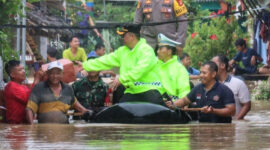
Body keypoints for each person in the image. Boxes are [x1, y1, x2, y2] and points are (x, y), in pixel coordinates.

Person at [81, 25, 164, 105]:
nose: (122, 38)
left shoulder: (146, 50)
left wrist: (122, 79)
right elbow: (106, 60)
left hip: (150, 89)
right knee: (120, 112)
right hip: (132, 91)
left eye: (123, 36)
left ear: (132, 36)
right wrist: (85, 65)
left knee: (157, 113)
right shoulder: (122, 51)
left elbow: (140, 69)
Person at [166, 61, 236, 123]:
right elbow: (184, 101)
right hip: (203, 128)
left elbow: (232, 111)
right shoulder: (197, 89)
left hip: (221, 130)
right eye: (200, 72)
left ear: (213, 74)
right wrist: (173, 104)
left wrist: (213, 111)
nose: (201, 75)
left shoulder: (224, 90)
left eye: (204, 73)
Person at [212, 54, 251, 120]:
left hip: (234, 125)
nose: (211, 67)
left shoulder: (238, 83)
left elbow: (247, 105)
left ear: (223, 65)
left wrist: (236, 120)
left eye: (213, 64)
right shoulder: (210, 84)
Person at [157, 33, 190, 100]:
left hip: (171, 106)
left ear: (169, 51)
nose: (157, 51)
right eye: (158, 49)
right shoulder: (155, 65)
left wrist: (178, 105)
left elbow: (184, 91)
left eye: (160, 49)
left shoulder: (179, 68)